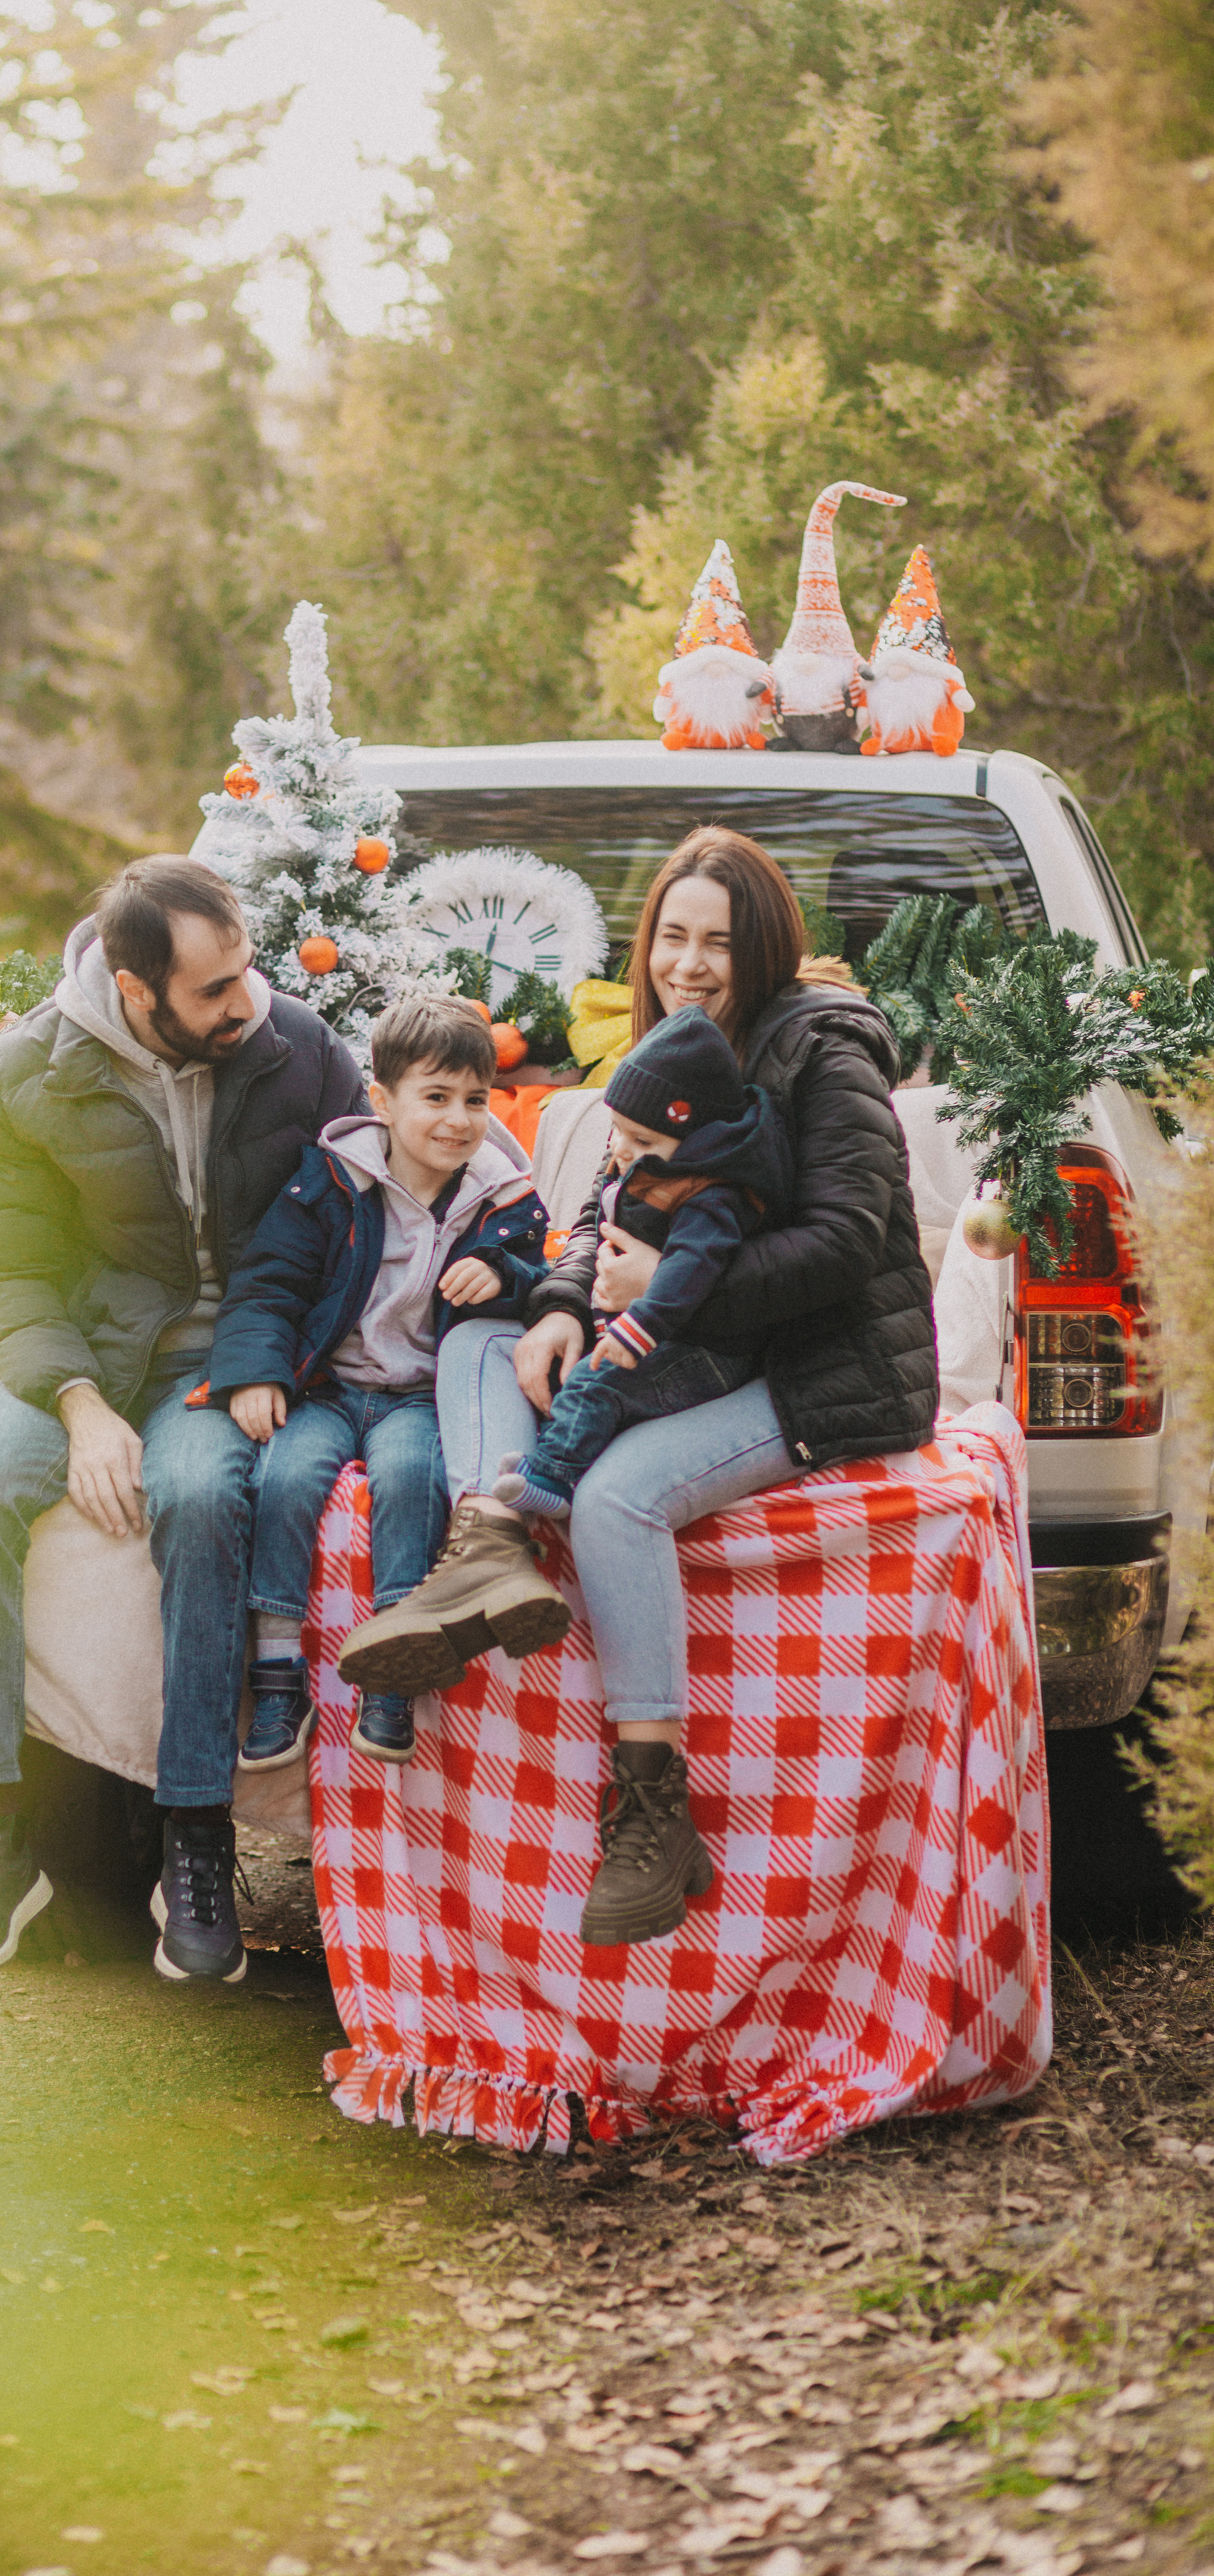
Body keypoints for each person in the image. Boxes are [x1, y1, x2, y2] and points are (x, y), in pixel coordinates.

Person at [338, 827, 937, 1951]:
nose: (692, 963)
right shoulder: (672, 1050)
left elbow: (849, 1241)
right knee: (481, 1336)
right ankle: (487, 1549)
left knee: (617, 1494)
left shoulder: (824, 1045)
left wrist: (666, 1287)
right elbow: (600, 1212)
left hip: (823, 1368)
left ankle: (656, 1805)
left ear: (764, 949)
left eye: (718, 943)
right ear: (648, 939)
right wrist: (565, 1304)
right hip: (686, 1340)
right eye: (673, 937)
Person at [0, 857, 366, 1985]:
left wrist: (288, 1361)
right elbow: (5, 1266)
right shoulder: (25, 1071)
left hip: (229, 1362)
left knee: (203, 1493)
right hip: (79, 1361)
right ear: (134, 988)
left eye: (247, 968)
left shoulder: (298, 1049)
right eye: (213, 989)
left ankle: (195, 1836)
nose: (246, 1000)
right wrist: (77, 1407)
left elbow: (364, 1213)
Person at [199, 994, 549, 1770]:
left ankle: (395, 1664)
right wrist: (257, 1373)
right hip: (329, 1385)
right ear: (382, 1100)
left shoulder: (501, 1196)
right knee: (285, 1475)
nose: (458, 1120)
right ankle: (280, 1668)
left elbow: (545, 1281)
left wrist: (501, 1272)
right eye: (435, 1098)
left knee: (413, 1478)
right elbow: (270, 1283)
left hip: (419, 1395)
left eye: (474, 1099)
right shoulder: (331, 1180)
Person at [487, 1006, 791, 1520]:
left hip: (705, 1350)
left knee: (596, 1381)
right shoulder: (651, 1164)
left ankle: (552, 1481)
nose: (622, 1151)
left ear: (695, 1138)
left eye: (643, 1140)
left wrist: (641, 1327)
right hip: (654, 1333)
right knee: (582, 1375)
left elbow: (688, 1270)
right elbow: (595, 1220)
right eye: (618, 1131)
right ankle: (553, 1454)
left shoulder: (708, 1194)